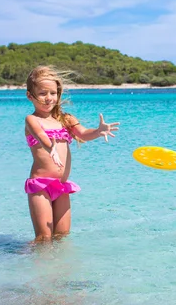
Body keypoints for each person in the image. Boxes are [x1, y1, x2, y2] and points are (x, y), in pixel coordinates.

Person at [24, 66, 119, 242]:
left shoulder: (65, 119)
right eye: (43, 93)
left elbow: (83, 133)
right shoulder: (32, 119)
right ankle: (28, 261)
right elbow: (40, 134)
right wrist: (49, 147)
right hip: (40, 186)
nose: (49, 98)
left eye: (53, 93)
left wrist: (98, 131)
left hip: (61, 186)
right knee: (44, 237)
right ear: (30, 96)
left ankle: (58, 269)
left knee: (62, 235)